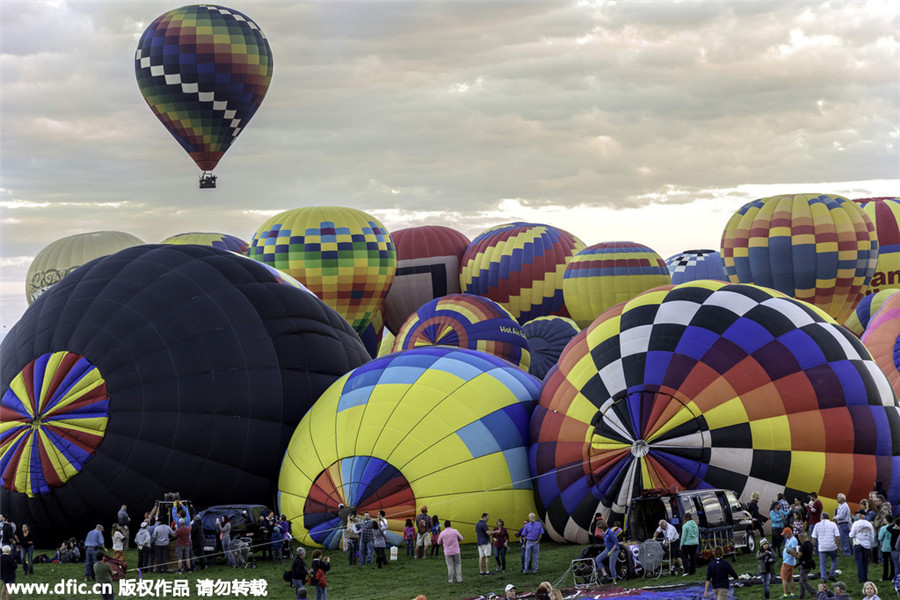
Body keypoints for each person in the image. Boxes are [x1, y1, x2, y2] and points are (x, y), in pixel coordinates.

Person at [813, 511, 841, 582]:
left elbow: (814, 538)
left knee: (822, 562)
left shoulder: (817, 525)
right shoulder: (833, 524)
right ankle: (831, 574)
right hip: (831, 546)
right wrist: (839, 546)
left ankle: (823, 577)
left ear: (821, 517)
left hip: (822, 547)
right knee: (834, 559)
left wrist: (813, 547)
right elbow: (837, 536)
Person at [851, 510, 876, 583]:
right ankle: (865, 577)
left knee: (859, 562)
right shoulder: (868, 524)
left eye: (857, 514)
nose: (856, 515)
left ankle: (861, 578)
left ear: (860, 515)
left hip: (858, 543)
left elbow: (851, 534)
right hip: (867, 544)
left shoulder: (855, 524)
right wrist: (871, 545)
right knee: (865, 562)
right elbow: (872, 535)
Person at [437, 520, 463, 584]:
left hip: (447, 552)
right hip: (456, 551)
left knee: (450, 566)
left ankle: (450, 580)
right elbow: (461, 538)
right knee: (458, 564)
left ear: (444, 525)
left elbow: (438, 542)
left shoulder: (442, 533)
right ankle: (459, 579)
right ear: (450, 525)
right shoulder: (455, 531)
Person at [797, 531, 817, 599]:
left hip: (804, 564)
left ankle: (815, 594)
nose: (799, 539)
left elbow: (799, 556)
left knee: (803, 581)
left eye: (799, 537)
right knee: (801, 580)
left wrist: (791, 552)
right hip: (809, 563)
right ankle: (801, 595)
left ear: (803, 537)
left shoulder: (804, 545)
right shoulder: (810, 544)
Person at [782, 526, 801, 598]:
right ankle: (792, 594)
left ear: (789, 533)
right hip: (788, 561)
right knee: (790, 578)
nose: (784, 536)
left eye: (785, 534)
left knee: (784, 579)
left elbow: (795, 552)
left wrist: (790, 553)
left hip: (788, 562)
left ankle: (785, 594)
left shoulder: (793, 540)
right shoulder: (789, 539)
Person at [681, 511, 699, 576]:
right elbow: (697, 533)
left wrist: (681, 544)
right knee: (692, 557)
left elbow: (683, 536)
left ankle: (686, 571)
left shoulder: (685, 525)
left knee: (685, 557)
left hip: (687, 543)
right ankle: (693, 571)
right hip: (695, 543)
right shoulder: (695, 524)